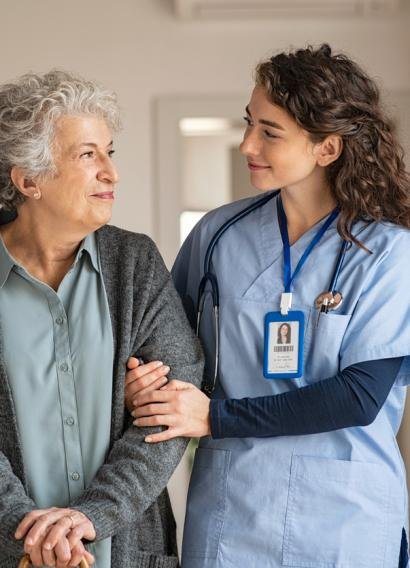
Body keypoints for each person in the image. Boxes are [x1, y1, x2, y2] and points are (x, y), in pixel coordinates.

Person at [125, 44, 410, 567]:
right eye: (248, 123)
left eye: (269, 132)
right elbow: (168, 345)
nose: (246, 144)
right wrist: (146, 381)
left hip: (344, 517)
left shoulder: (389, 251)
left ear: (327, 148)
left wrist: (215, 416)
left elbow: (359, 396)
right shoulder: (217, 234)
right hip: (233, 510)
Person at [0, 70, 203, 567]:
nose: (111, 173)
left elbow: (168, 415)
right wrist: (28, 532)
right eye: (88, 155)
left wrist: (90, 517)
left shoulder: (135, 263)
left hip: (128, 552)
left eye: (110, 152)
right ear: (28, 180)